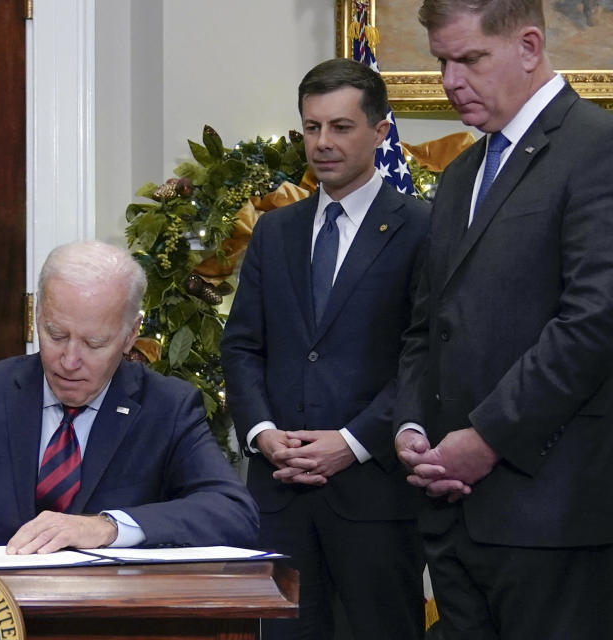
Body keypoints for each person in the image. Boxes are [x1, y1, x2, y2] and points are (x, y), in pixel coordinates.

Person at [394, 1, 613, 637]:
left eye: (470, 59)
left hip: (552, 515)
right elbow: (425, 324)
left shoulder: (596, 148)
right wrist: (411, 425)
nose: (450, 81)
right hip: (453, 513)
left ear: (528, 46)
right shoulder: (463, 172)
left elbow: (594, 321)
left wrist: (487, 438)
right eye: (441, 61)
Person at [0, 241, 258, 553]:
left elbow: (233, 512)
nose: (69, 360)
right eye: (55, 335)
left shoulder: (167, 406)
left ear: (131, 335)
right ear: (37, 316)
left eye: (94, 343)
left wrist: (106, 528)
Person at [220, 58, 429, 640]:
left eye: (340, 127)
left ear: (380, 131)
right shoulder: (274, 230)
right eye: (312, 128)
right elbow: (241, 348)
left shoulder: (422, 227)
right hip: (279, 497)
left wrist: (354, 443)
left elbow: (426, 357)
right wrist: (262, 433)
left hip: (376, 499)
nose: (323, 143)